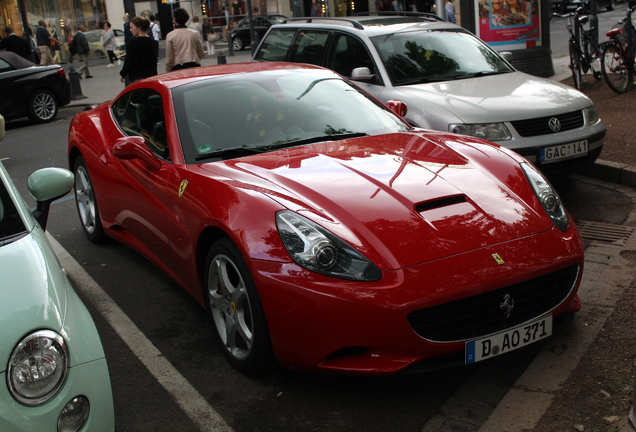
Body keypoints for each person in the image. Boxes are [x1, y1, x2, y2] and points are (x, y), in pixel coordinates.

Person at [119, 16, 157, 84]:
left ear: (139, 28)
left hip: (137, 77)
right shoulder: (152, 42)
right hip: (151, 76)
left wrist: (123, 73)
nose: (130, 30)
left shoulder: (132, 43)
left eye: (132, 27)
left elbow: (129, 61)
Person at [165, 8, 204, 72]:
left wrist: (168, 70)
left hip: (178, 65)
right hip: (193, 64)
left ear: (175, 19)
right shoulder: (194, 33)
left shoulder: (170, 35)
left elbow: (169, 57)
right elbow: (200, 51)